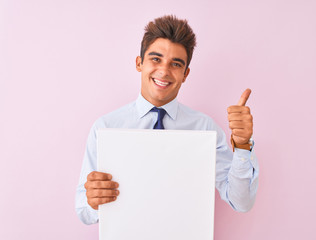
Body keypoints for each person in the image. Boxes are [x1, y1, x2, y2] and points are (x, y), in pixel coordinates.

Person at [75, 15, 259, 225]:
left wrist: (243, 145)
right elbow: (83, 210)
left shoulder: (205, 129)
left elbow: (241, 201)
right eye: (156, 59)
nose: (164, 71)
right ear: (139, 63)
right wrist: (93, 201)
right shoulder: (106, 127)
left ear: (185, 74)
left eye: (176, 64)